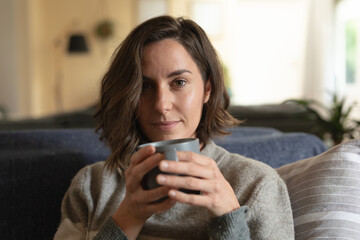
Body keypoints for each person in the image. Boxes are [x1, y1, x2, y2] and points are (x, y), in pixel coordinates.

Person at [54, 15, 294, 240]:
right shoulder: (92, 186)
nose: (161, 105)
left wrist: (229, 219)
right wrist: (128, 217)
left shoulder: (257, 186)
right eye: (145, 86)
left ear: (207, 90)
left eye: (179, 82)